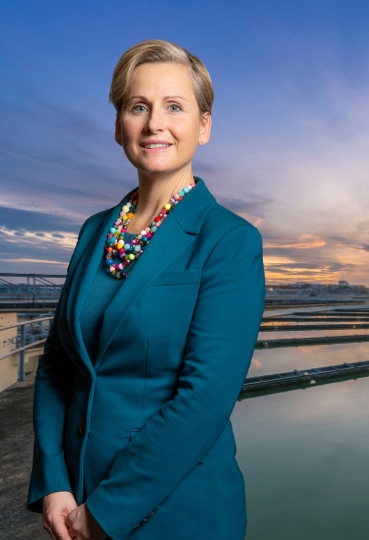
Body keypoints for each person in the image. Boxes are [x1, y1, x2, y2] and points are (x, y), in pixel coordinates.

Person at [26, 39, 265, 540]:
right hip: (74, 501)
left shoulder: (229, 240)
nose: (155, 123)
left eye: (175, 106)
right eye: (139, 106)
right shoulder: (94, 231)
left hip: (177, 511)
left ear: (204, 125)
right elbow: (56, 368)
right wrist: (54, 482)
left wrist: (105, 512)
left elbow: (204, 400)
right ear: (119, 126)